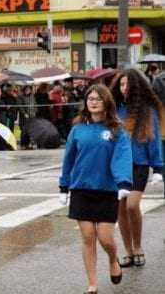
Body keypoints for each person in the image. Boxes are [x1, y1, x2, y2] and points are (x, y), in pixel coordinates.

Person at [59, 84, 132, 294]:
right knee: (88, 236)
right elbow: (69, 159)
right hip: (82, 188)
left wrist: (123, 182)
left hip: (107, 190)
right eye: (89, 98)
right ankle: (92, 283)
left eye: (97, 99)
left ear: (106, 102)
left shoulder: (116, 130)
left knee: (106, 238)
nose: (92, 102)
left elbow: (122, 156)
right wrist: (64, 186)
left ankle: (112, 258)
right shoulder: (77, 130)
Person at [110, 69, 164, 268]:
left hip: (139, 165)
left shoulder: (147, 111)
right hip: (117, 166)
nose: (124, 89)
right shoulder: (114, 110)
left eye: (128, 85)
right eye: (121, 85)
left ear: (137, 87)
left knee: (132, 205)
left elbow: (154, 139)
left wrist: (158, 167)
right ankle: (129, 252)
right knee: (120, 210)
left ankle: (139, 246)